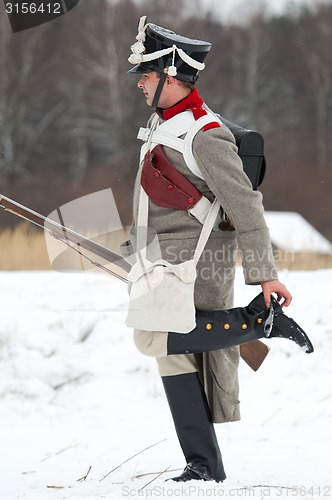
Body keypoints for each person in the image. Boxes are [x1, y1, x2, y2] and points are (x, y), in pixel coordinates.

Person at [125, 16, 299, 483]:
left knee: (151, 336)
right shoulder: (162, 125)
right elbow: (155, 204)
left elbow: (246, 205)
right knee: (174, 356)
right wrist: (134, 253)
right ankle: (203, 467)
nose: (139, 82)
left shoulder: (206, 133)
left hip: (198, 264)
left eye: (146, 73)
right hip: (161, 260)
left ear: (171, 75)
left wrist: (264, 274)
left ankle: (255, 321)